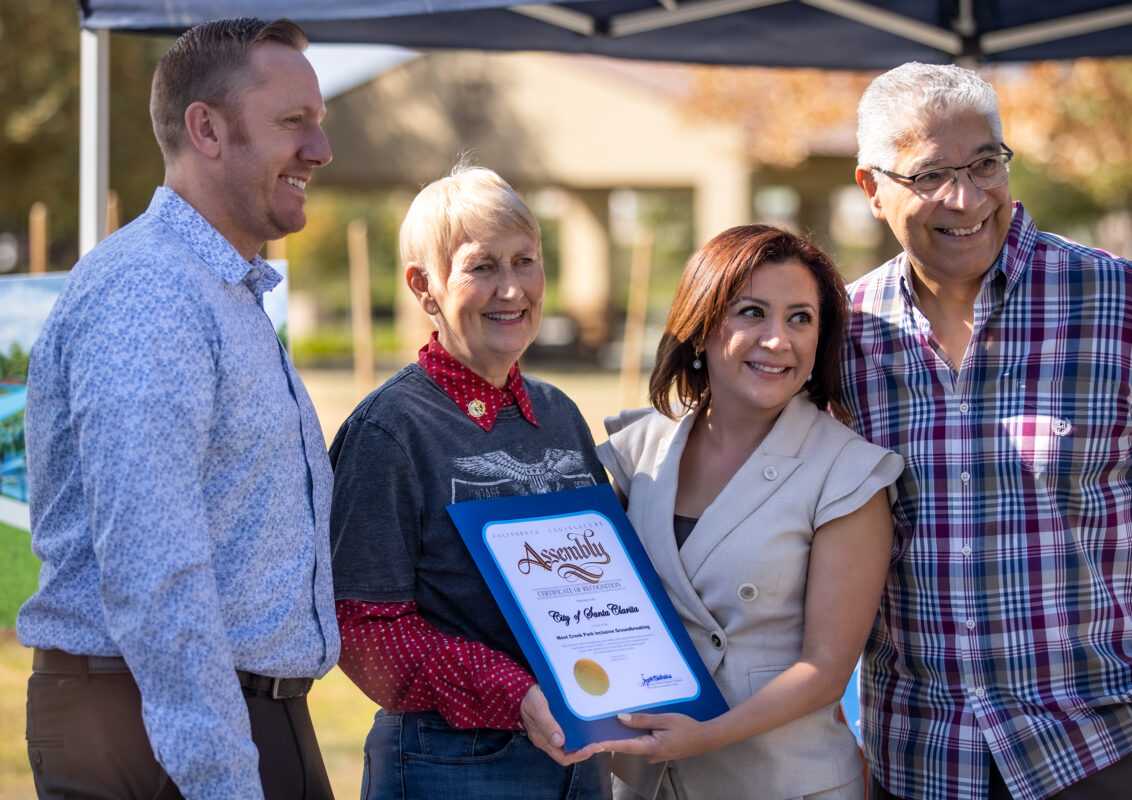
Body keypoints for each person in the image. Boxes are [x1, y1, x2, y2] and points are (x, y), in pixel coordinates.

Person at [841, 61, 1132, 800]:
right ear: (872, 190)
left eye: (985, 164)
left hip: (1104, 744)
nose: (966, 198)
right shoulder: (845, 335)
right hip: (919, 757)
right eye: (930, 174)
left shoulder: (1121, 304)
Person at [18, 18, 338, 800]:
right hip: (158, 733)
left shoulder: (219, 290)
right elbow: (155, 569)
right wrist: (224, 778)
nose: (322, 152)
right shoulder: (153, 292)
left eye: (319, 124)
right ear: (208, 130)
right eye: (293, 123)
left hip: (218, 719)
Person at [328, 162, 611, 799]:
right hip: (454, 764)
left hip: (582, 748)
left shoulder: (560, 413)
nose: (512, 290)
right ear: (423, 286)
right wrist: (515, 696)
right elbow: (362, 626)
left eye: (526, 261)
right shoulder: (390, 431)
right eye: (483, 267)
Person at [593, 224, 903, 800]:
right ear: (701, 327)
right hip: (640, 781)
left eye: (800, 318)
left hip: (782, 781)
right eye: (752, 312)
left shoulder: (850, 472)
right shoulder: (635, 451)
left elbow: (826, 671)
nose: (777, 339)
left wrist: (702, 735)